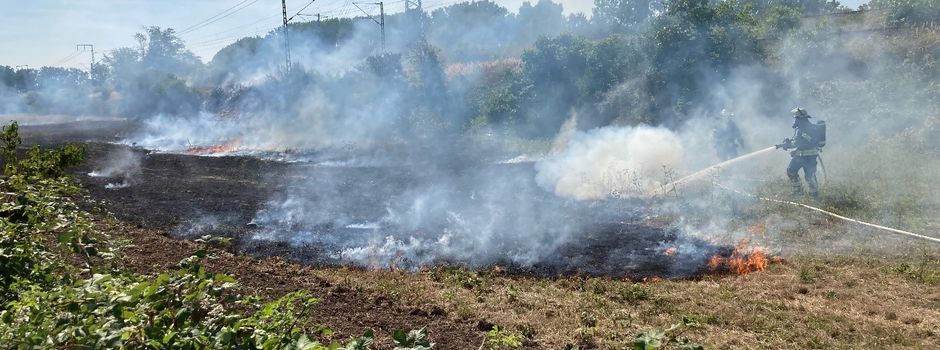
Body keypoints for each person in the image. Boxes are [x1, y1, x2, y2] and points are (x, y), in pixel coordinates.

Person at [776, 107, 824, 200]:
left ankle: (814, 195)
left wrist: (787, 145)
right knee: (791, 171)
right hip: (800, 156)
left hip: (809, 157)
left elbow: (799, 142)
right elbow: (798, 141)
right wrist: (786, 144)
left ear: (801, 119)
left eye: (796, 119)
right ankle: (798, 191)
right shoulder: (802, 129)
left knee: (809, 176)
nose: (795, 121)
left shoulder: (806, 129)